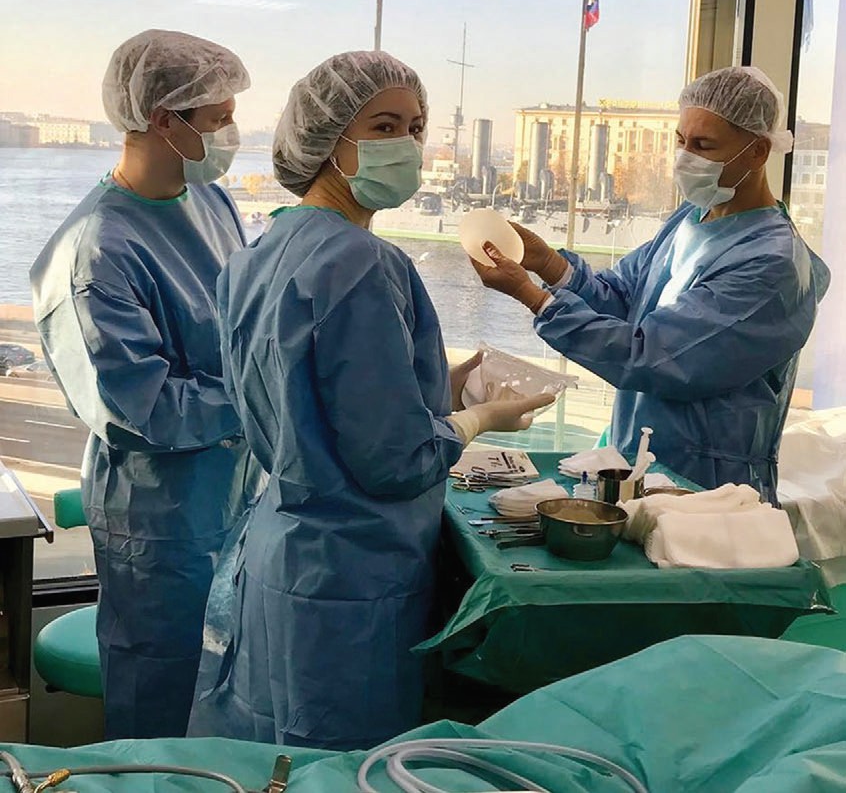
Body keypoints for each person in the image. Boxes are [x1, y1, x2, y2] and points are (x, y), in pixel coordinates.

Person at [188, 50, 553, 750]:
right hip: (350, 572)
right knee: (339, 764)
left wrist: (438, 386)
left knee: (271, 756)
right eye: (384, 126)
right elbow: (394, 460)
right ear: (326, 139)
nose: (407, 145)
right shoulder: (360, 263)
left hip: (281, 545)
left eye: (415, 128)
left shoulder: (260, 252)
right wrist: (480, 418)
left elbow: (307, 395)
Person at [30, 29, 264, 740]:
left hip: (233, 492)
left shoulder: (209, 202)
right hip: (161, 522)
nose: (231, 135)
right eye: (219, 118)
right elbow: (146, 411)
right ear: (164, 119)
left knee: (228, 696)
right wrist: (267, 395)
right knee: (161, 710)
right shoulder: (95, 253)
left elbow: (243, 324)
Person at [472, 66, 829, 504]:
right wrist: (548, 263)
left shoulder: (771, 265)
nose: (684, 157)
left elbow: (655, 356)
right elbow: (625, 299)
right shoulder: (691, 221)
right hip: (637, 465)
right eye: (681, 141)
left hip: (711, 492)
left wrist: (534, 298)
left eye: (703, 146)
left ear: (757, 152)